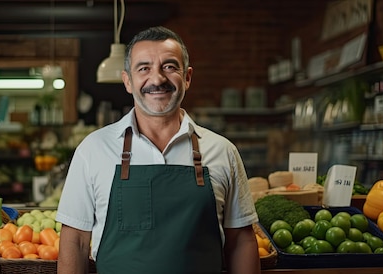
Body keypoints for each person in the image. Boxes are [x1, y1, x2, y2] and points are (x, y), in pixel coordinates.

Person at [56, 26, 260, 274]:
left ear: (187, 77)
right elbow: (75, 240)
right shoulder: (93, 149)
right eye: (144, 68)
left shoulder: (222, 151)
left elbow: (241, 240)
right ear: (128, 81)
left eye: (170, 67)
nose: (157, 79)